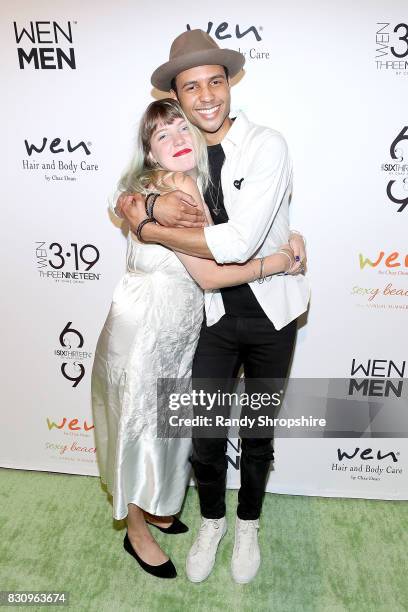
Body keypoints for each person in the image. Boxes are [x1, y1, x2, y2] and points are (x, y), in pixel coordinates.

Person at [115, 29, 310, 585]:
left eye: (215, 82)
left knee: (257, 430)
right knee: (203, 431)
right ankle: (212, 521)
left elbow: (243, 240)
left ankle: (248, 524)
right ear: (177, 98)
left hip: (272, 313)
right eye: (191, 88)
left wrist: (152, 227)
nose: (205, 98)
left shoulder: (266, 143)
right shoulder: (186, 152)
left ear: (229, 85)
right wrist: (140, 205)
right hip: (212, 315)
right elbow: (133, 186)